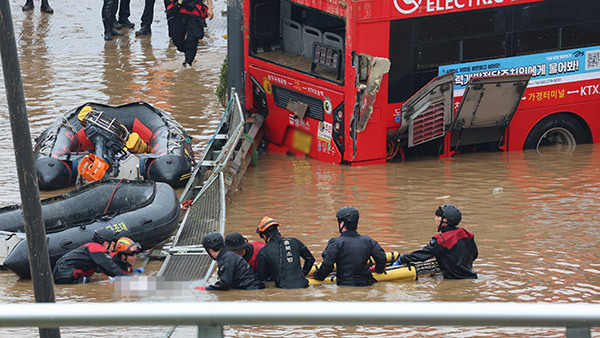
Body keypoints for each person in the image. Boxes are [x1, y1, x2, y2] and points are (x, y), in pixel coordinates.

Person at [393, 204, 478, 279]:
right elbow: (474, 255)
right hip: (471, 276)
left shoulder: (442, 240)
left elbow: (422, 254)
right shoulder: (466, 233)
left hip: (455, 280)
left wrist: (402, 259)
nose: (435, 219)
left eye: (437, 216)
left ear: (445, 220)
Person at [313, 206, 387, 286]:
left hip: (345, 285)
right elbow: (382, 258)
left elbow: (327, 265)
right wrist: (378, 270)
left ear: (342, 223)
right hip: (366, 283)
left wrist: (317, 276)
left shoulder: (335, 243)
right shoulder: (368, 240)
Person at [255, 216, 315, 289]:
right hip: (303, 285)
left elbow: (261, 277)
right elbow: (310, 259)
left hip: (284, 290)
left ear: (264, 235)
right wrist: (302, 274)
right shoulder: (294, 241)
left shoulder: (263, 251)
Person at [53, 228, 125, 284]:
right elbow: (110, 267)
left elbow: (102, 268)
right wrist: (129, 279)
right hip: (69, 274)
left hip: (61, 273)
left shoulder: (91, 248)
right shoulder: (97, 248)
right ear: (105, 244)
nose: (113, 248)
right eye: (113, 245)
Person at [200, 231, 264, 291]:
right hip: (253, 286)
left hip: (251, 289)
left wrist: (207, 289)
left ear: (210, 250)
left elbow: (225, 284)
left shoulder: (226, 258)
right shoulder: (227, 256)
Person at [165, 0, 214, 67]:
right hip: (179, 10)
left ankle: (188, 62)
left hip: (195, 11)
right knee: (176, 38)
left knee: (193, 38)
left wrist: (210, 8)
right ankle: (189, 53)